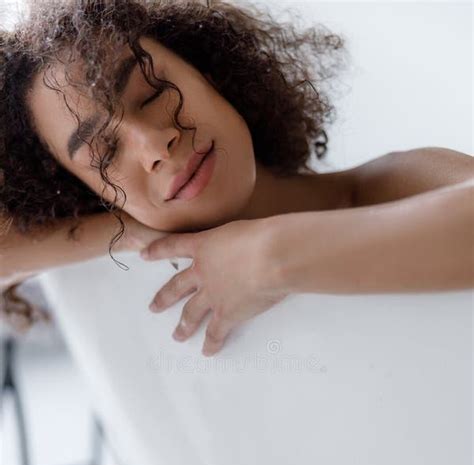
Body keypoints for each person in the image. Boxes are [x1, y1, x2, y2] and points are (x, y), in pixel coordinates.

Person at [1, 0, 472, 355]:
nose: (155, 143)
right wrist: (130, 231)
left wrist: (267, 256)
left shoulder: (389, 185)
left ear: (209, 72)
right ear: (89, 197)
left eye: (151, 93)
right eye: (105, 153)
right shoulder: (129, 255)